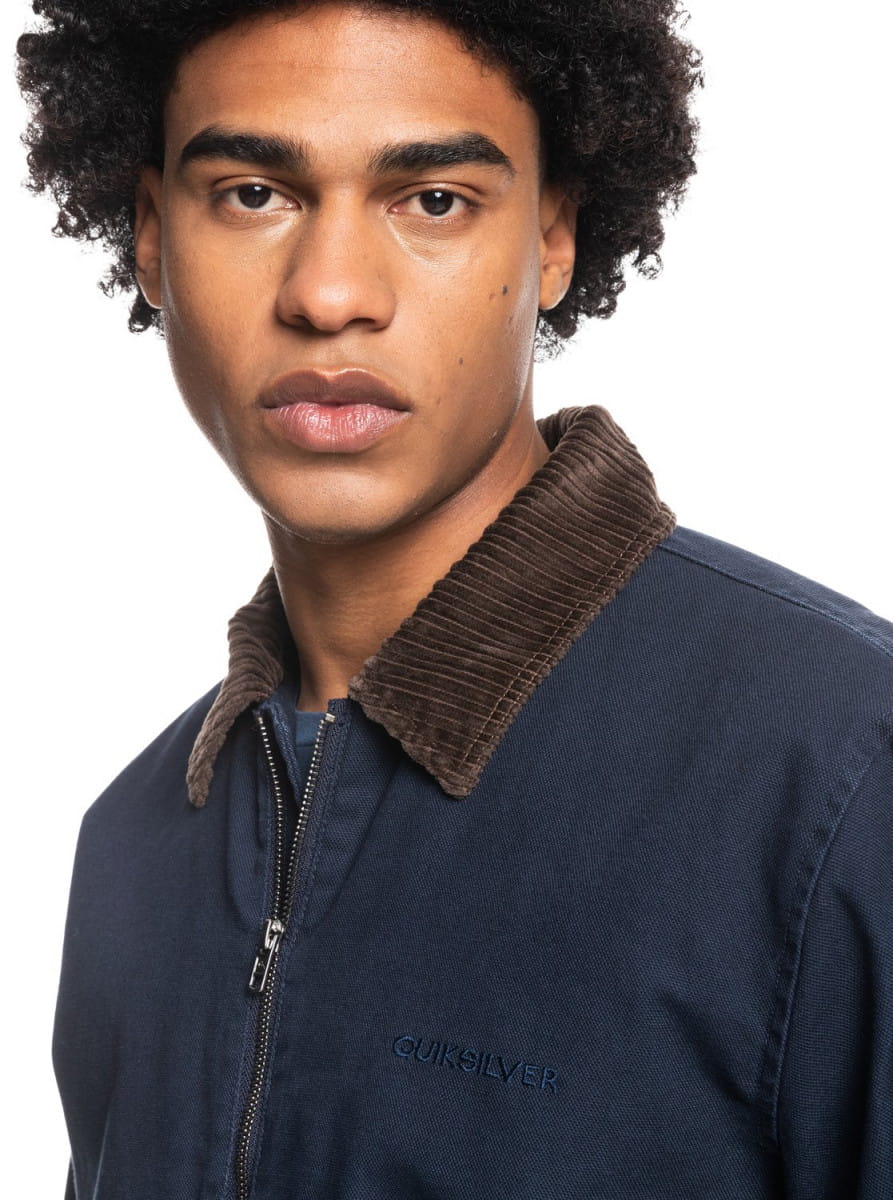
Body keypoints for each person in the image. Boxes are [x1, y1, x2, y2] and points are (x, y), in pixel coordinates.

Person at [17, 1, 892, 1197]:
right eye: (252, 194)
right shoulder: (134, 845)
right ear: (153, 235)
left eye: (431, 199)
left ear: (552, 235)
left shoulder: (841, 776)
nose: (330, 294)